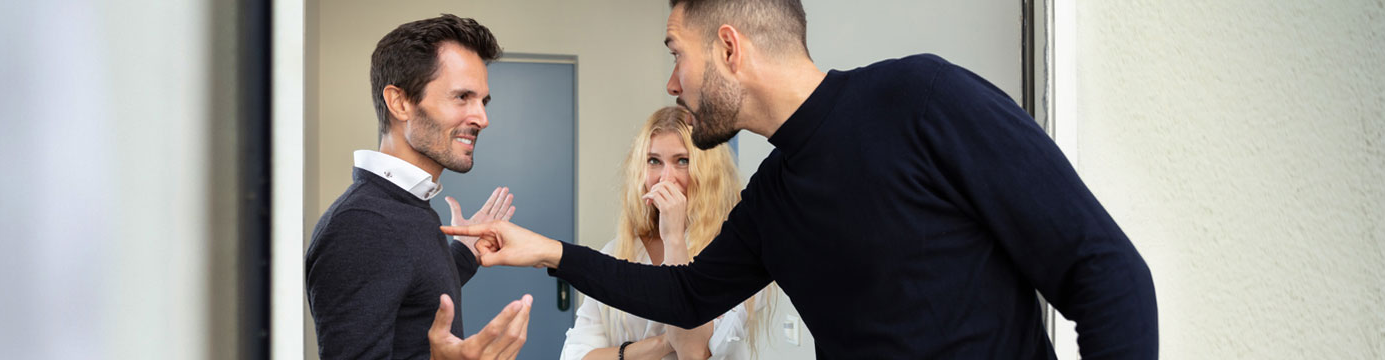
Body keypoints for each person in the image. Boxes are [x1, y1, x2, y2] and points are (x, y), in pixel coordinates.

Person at [443, 0, 1160, 358]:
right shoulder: (776, 198)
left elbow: (1104, 272)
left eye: (677, 55)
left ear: (728, 48)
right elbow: (687, 293)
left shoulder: (922, 99)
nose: (672, 81)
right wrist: (547, 251)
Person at [306, 14, 532, 360]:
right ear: (400, 103)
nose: (482, 119)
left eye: (482, 101)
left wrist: (464, 255)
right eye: (462, 97)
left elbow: (409, 298)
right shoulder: (362, 224)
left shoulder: (404, 206)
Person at [559, 107, 771, 360]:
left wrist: (673, 239)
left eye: (682, 161)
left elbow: (692, 352)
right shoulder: (618, 251)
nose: (665, 178)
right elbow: (575, 355)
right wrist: (660, 345)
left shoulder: (735, 254)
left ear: (709, 173)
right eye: (654, 161)